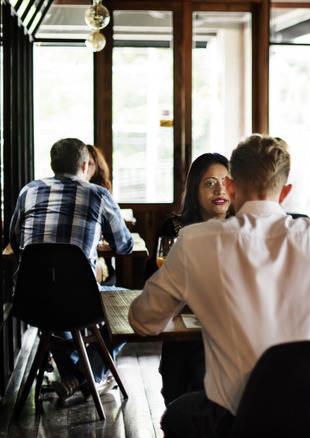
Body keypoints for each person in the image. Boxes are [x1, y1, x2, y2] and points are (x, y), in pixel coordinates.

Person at [129, 134, 310, 437]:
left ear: (233, 187)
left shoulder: (196, 242)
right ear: (285, 191)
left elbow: (143, 321)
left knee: (175, 415)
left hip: (240, 422)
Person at [9, 137, 134, 401]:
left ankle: (74, 376)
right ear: (86, 164)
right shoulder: (98, 194)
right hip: (80, 301)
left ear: (52, 164)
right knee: (135, 305)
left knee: (55, 309)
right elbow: (124, 246)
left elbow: (15, 241)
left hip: (28, 299)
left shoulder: (28, 191)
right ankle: (83, 375)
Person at [142, 152, 230, 406]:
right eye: (210, 183)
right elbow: (151, 279)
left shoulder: (243, 227)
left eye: (226, 181)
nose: (220, 190)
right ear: (195, 188)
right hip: (184, 333)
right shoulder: (176, 228)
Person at [86, 144, 116, 285]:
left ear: (97, 167)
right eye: (83, 164)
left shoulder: (101, 193)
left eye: (90, 164)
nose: (85, 168)